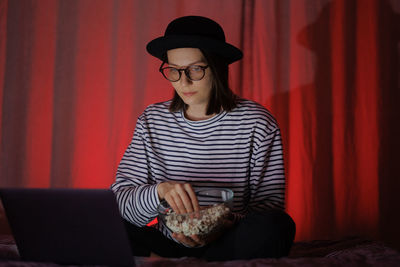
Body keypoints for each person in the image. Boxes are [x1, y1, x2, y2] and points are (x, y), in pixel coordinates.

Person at [111, 15, 295, 261]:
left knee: (277, 225)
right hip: (168, 242)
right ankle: (170, 260)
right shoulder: (151, 120)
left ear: (218, 67)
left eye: (195, 69)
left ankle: (187, 263)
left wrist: (217, 223)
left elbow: (268, 208)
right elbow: (120, 200)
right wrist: (160, 191)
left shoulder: (258, 122)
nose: (183, 81)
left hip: (228, 241)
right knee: (98, 222)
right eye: (174, 70)